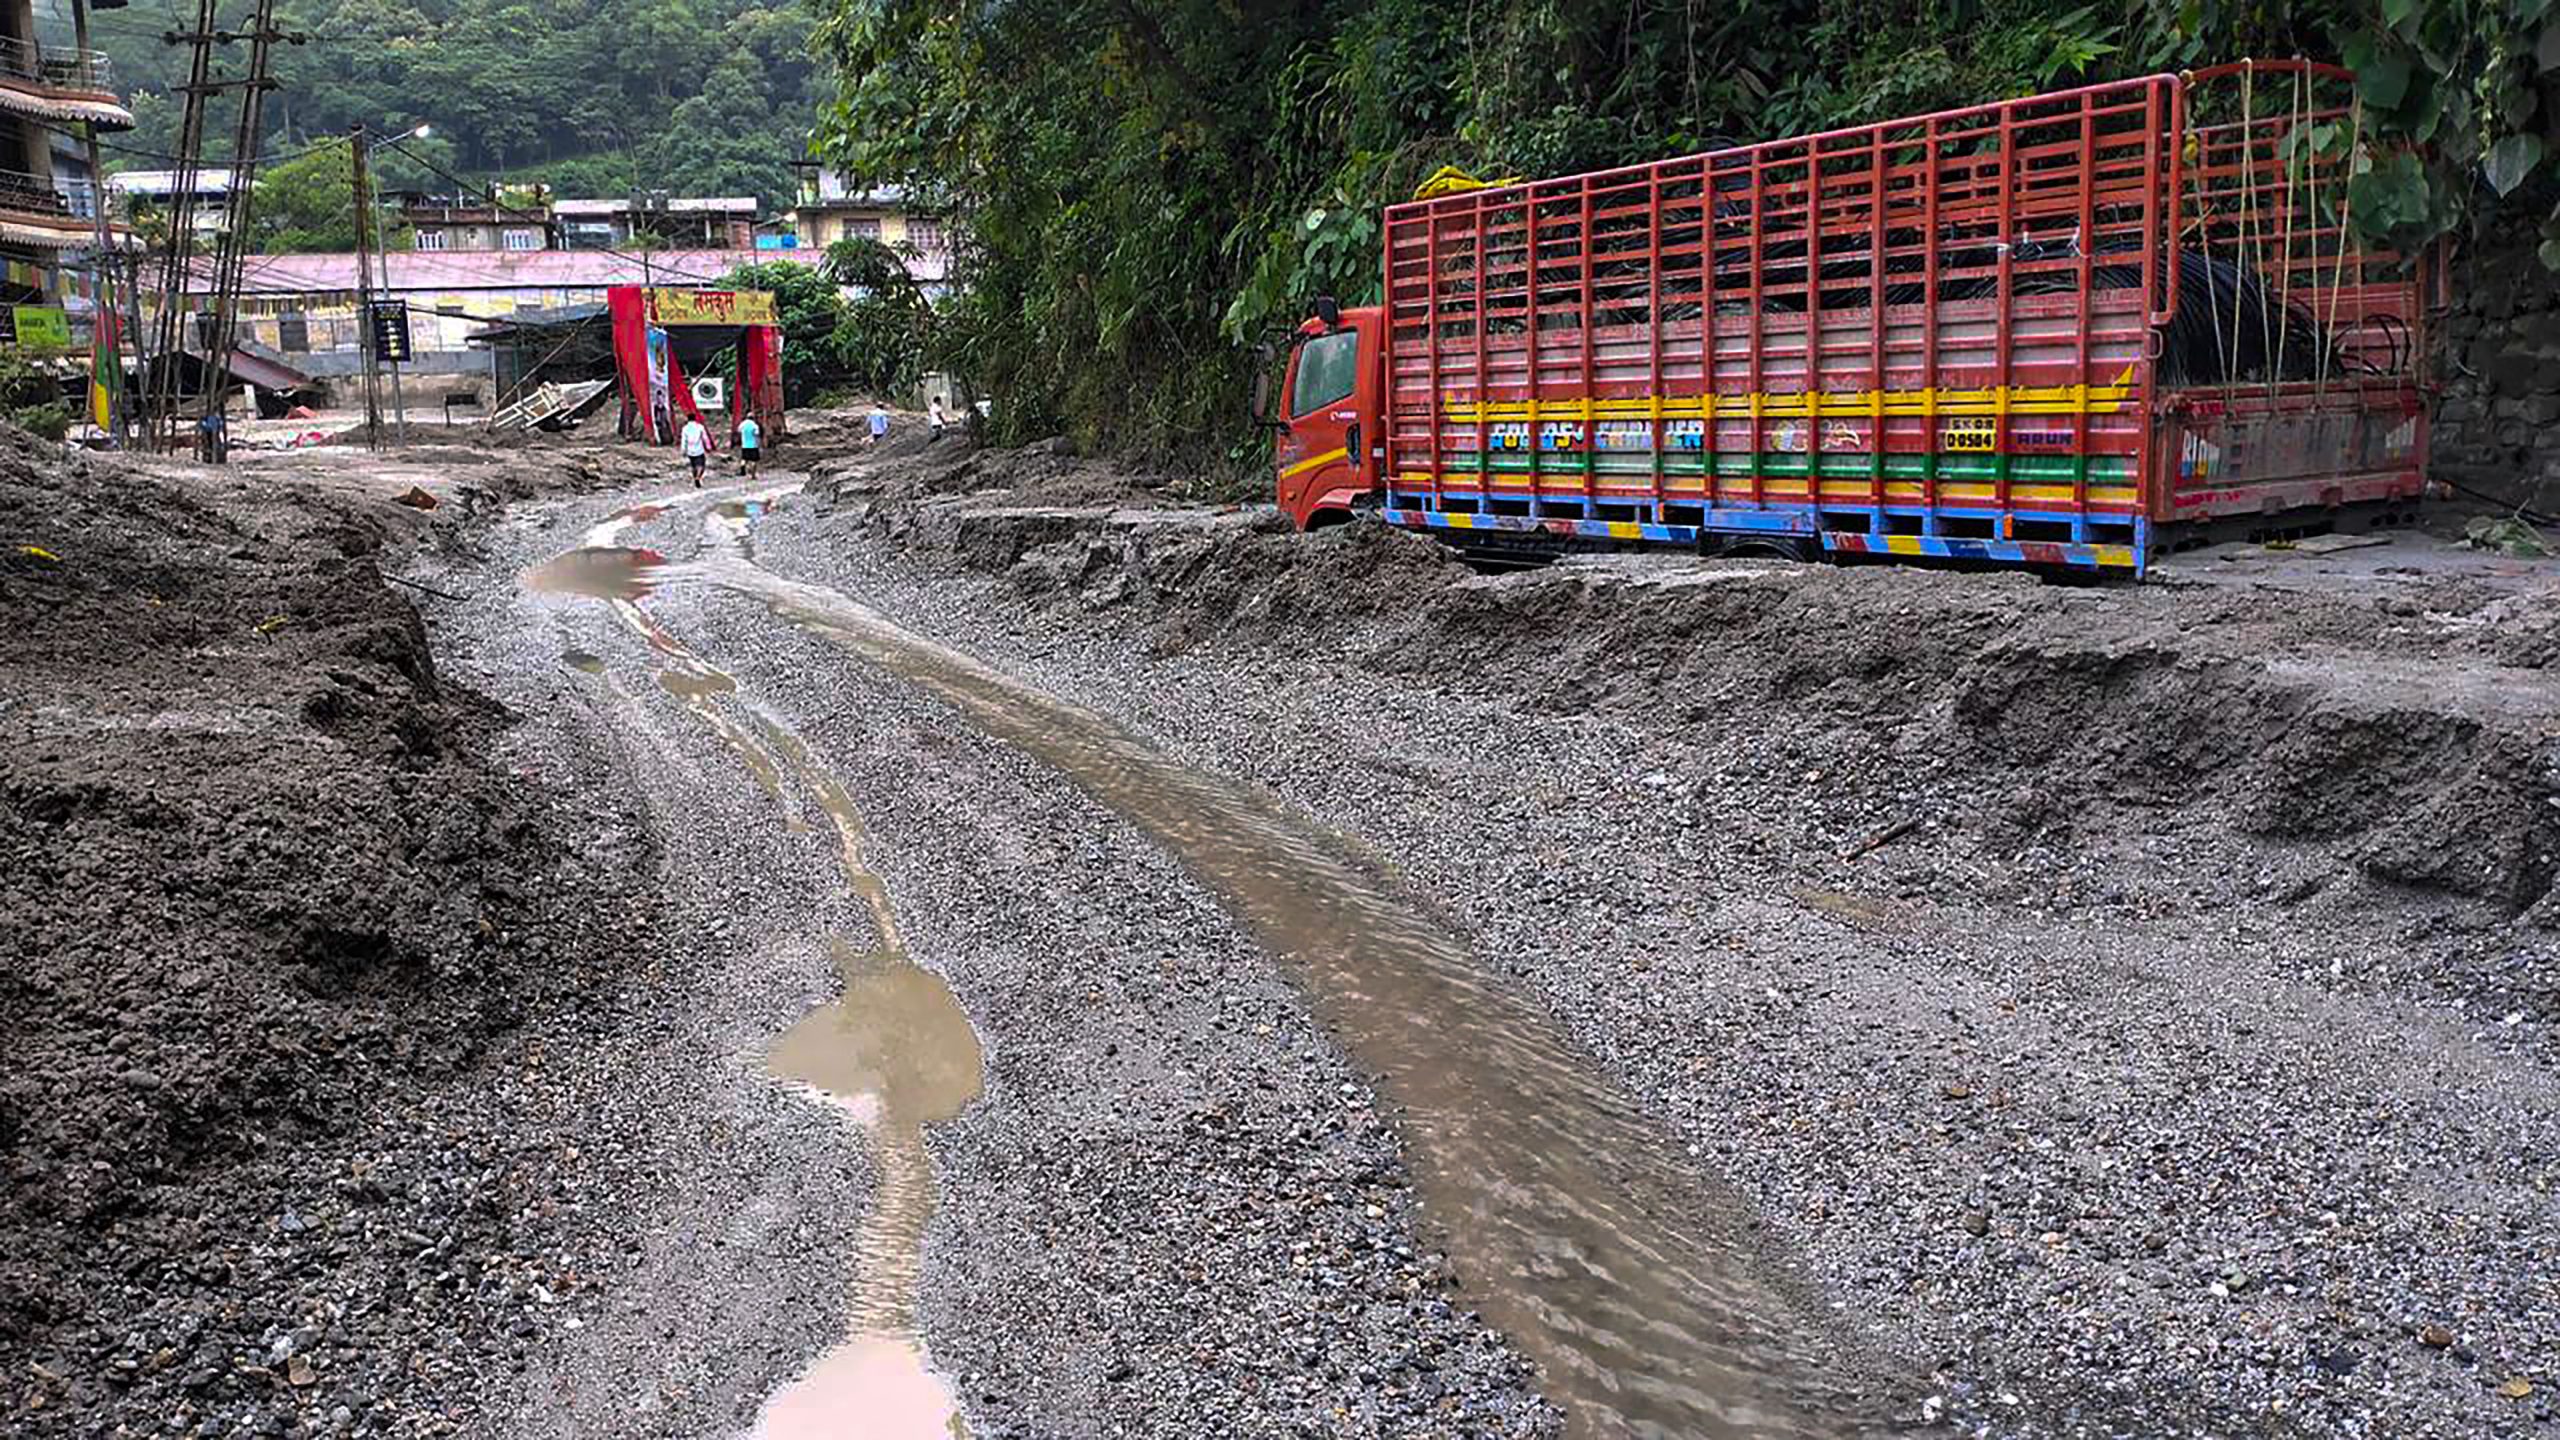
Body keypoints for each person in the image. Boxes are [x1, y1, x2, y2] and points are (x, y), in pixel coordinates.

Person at [680, 413, 711, 487]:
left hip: (690, 450)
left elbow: (684, 440)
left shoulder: (685, 428)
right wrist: (708, 446)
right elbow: (705, 437)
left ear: (688, 419)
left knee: (693, 466)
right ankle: (698, 477)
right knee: (701, 465)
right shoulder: (700, 427)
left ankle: (695, 478)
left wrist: (683, 449)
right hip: (699, 449)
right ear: (695, 418)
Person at [738, 412, 763, 481]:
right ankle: (753, 475)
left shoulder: (742, 424)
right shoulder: (754, 425)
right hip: (753, 445)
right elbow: (756, 434)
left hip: (744, 445)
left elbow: (739, 430)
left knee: (744, 458)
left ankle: (742, 468)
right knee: (753, 461)